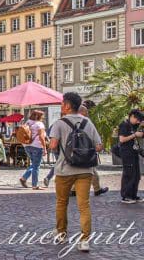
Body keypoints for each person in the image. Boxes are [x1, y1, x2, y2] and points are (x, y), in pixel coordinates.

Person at [50, 92, 103, 252]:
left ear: (67, 105)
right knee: (84, 205)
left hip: (65, 169)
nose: (61, 105)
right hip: (86, 170)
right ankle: (84, 240)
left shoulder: (59, 123)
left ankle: (61, 233)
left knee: (61, 202)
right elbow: (99, 146)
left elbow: (53, 146)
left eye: (62, 103)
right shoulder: (88, 122)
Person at [117, 108, 144, 203]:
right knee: (129, 174)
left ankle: (133, 195)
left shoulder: (134, 125)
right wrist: (135, 135)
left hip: (134, 152)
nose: (138, 121)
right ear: (132, 116)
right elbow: (122, 139)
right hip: (126, 153)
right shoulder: (124, 124)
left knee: (136, 175)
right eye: (137, 119)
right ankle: (126, 196)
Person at [19, 110, 47, 190]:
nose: (43, 118)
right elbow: (42, 137)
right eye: (42, 116)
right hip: (37, 146)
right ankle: (35, 185)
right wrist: (44, 148)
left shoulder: (27, 122)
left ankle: (24, 178)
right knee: (36, 167)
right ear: (39, 116)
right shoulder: (39, 124)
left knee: (34, 164)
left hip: (27, 146)